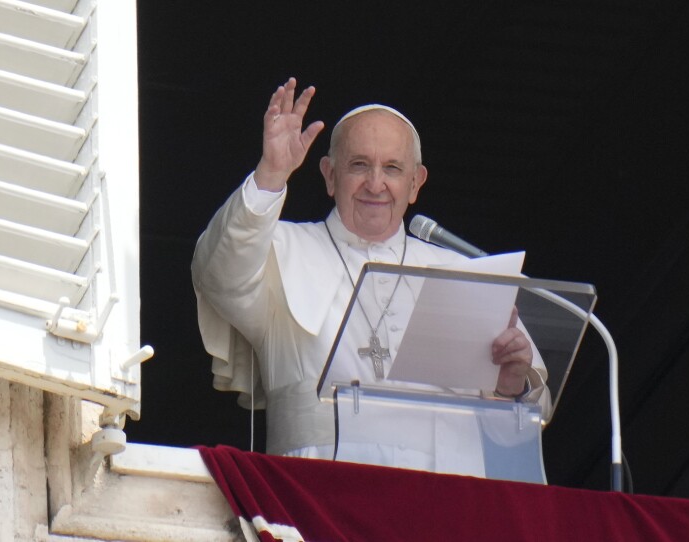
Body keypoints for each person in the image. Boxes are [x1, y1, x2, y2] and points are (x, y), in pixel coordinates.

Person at [192, 77, 545, 474]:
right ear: (328, 175)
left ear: (415, 183)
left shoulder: (461, 272)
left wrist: (512, 383)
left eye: (392, 168)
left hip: (446, 496)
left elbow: (513, 433)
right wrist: (271, 173)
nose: (375, 184)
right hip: (314, 488)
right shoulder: (279, 249)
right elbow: (219, 273)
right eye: (359, 165)